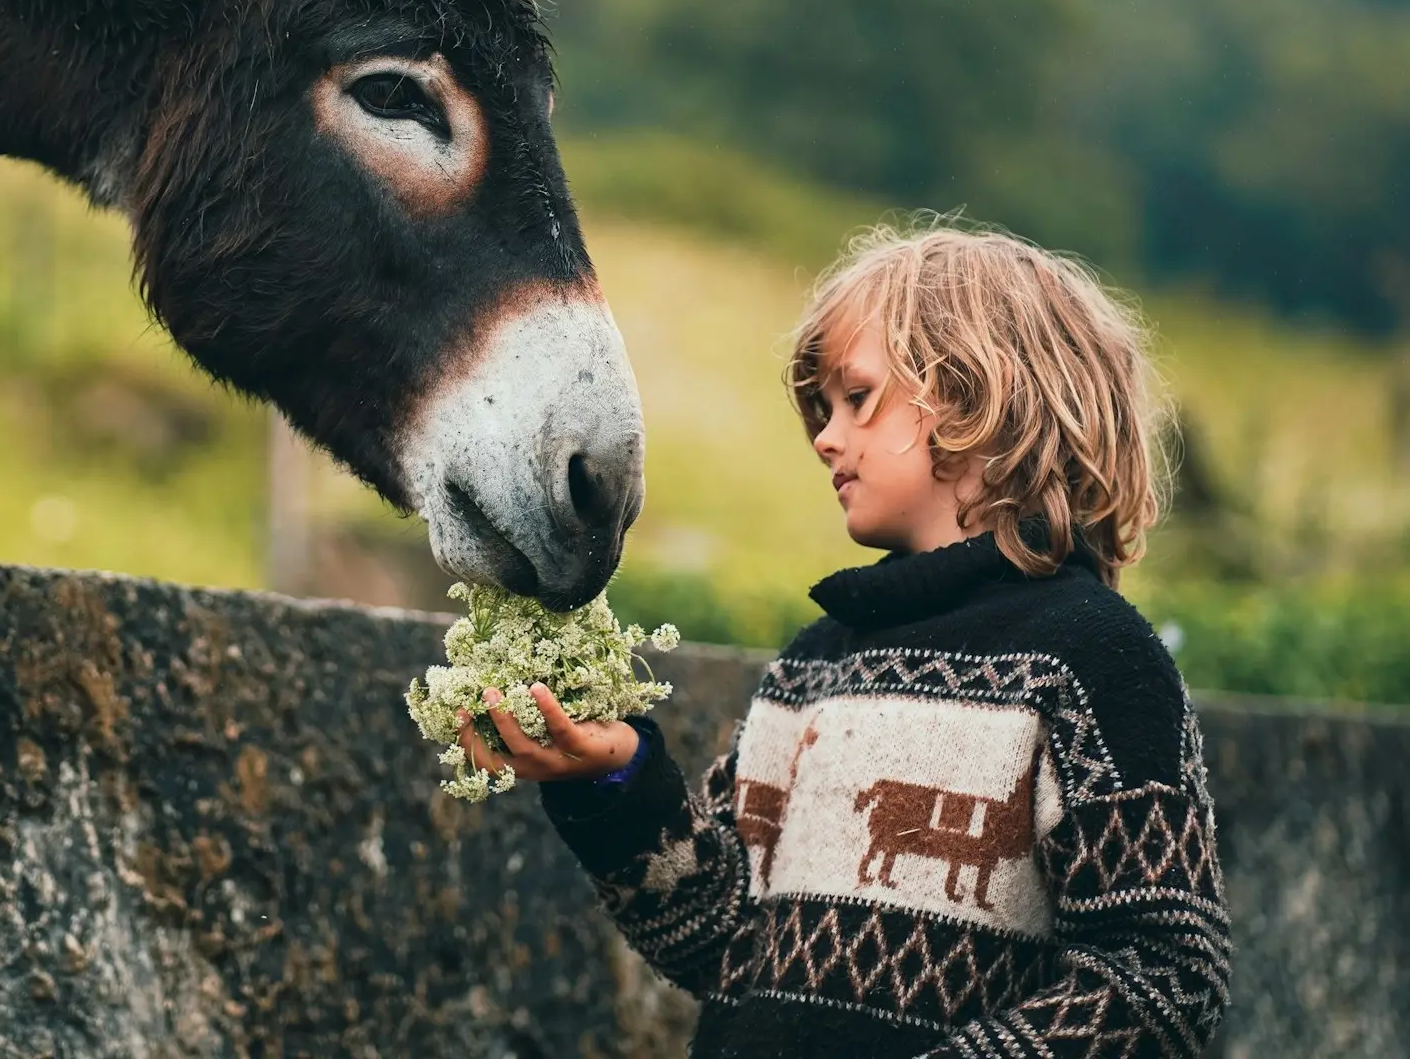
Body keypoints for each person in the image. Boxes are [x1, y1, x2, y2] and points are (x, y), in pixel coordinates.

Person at [458, 224, 1231, 1056]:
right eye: (822, 410)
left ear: (983, 398)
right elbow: (723, 941)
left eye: (857, 398)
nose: (825, 436)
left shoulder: (1092, 659)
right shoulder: (813, 666)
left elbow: (1166, 974)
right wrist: (616, 783)